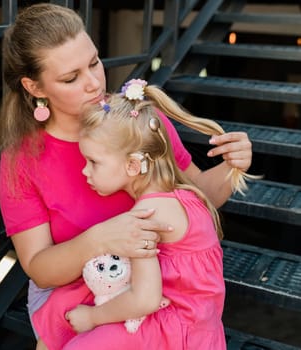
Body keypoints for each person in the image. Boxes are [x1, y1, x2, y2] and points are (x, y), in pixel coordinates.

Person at [0, 3, 253, 349]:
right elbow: (39, 267)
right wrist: (101, 239)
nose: (94, 83)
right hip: (72, 292)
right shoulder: (22, 159)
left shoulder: (133, 120)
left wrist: (233, 167)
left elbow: (196, 200)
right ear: (35, 87)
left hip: (153, 290)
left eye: (94, 63)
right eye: (71, 78)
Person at [31, 79, 259, 349]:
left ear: (132, 165)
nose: (85, 171)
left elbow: (146, 299)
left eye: (93, 162)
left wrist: (93, 317)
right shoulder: (187, 195)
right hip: (202, 332)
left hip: (173, 332)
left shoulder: (146, 215)